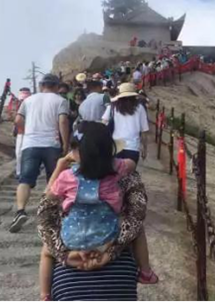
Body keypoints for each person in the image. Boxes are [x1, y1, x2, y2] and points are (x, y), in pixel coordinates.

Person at [39, 123, 157, 300]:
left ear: (76, 152)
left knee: (46, 251)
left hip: (72, 242)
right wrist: (109, 253)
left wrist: (59, 166)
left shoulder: (66, 177)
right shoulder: (120, 172)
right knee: (137, 229)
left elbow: (46, 204)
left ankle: (44, 295)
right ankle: (146, 271)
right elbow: (136, 214)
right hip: (108, 239)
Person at [10, 74, 70, 233]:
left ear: (41, 86)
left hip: (30, 144)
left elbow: (17, 121)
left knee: (25, 180)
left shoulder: (28, 100)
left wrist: (28, 131)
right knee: (54, 180)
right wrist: (65, 144)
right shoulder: (61, 101)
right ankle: (53, 214)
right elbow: (63, 121)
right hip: (52, 145)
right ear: (56, 86)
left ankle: (20, 211)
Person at [102, 83, 148, 163]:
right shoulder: (140, 108)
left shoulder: (112, 107)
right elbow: (144, 131)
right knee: (130, 170)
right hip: (133, 148)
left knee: (115, 170)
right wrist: (144, 148)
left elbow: (103, 124)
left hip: (115, 146)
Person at [14, 87, 32, 178]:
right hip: (21, 132)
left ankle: (26, 171)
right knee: (19, 153)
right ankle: (19, 172)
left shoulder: (32, 106)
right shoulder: (18, 105)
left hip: (30, 132)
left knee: (28, 153)